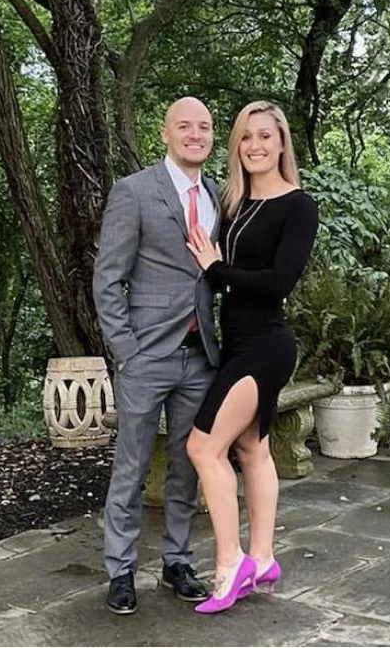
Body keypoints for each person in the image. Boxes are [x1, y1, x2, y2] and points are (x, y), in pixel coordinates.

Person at [184, 100, 319, 614]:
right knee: (251, 450)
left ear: (282, 143)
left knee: (203, 449)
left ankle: (229, 564)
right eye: (246, 137)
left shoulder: (297, 205)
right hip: (235, 342)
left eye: (265, 136)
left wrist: (218, 271)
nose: (255, 145)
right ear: (237, 147)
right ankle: (262, 559)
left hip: (266, 345)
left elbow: (279, 282)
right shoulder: (234, 203)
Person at [93, 97, 222, 615]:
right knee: (132, 466)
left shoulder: (218, 195)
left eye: (205, 127)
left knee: (188, 469)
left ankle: (176, 562)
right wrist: (125, 351)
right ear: (165, 134)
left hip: (201, 357)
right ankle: (120, 570)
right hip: (146, 356)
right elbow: (108, 277)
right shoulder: (134, 191)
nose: (196, 134)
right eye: (185, 126)